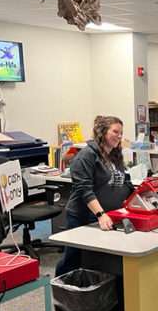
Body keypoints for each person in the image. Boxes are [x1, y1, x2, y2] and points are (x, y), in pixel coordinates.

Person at [56, 116, 133, 276]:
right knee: (74, 259)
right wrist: (101, 214)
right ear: (102, 132)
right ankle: (61, 294)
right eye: (115, 132)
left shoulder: (114, 155)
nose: (119, 136)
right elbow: (85, 190)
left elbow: (124, 182)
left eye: (121, 133)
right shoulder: (86, 156)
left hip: (108, 216)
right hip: (84, 216)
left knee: (98, 262)